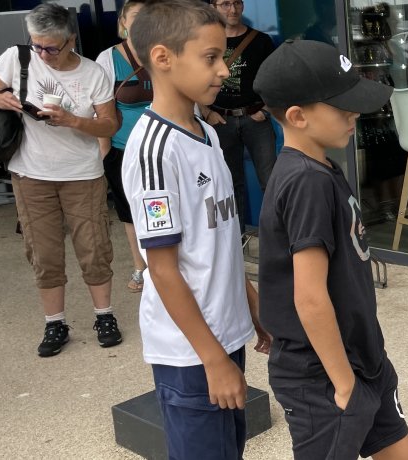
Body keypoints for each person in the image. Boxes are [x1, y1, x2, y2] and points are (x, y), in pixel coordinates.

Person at [254, 39, 408, 460]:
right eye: (341, 105)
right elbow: (309, 297)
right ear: (297, 117)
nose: (355, 114)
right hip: (322, 373)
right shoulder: (305, 181)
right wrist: (344, 383)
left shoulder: (323, 166)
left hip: (362, 355)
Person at [123, 1, 271, 458]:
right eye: (211, 57)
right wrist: (211, 359)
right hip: (191, 356)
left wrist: (250, 304)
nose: (224, 70)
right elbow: (162, 269)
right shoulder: (154, 152)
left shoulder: (205, 132)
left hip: (224, 336)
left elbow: (219, 237)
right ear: (163, 58)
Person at [0, 3, 122, 357]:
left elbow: (110, 125)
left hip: (83, 174)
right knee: (43, 251)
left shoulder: (92, 74)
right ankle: (55, 322)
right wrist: (1, 98)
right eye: (37, 45)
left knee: (94, 247)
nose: (43, 54)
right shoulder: (17, 58)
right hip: (30, 174)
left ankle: (104, 315)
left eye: (51, 47)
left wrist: (73, 121)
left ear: (71, 39)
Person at [199, 0, 277, 229]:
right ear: (213, 7)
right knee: (228, 185)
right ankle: (236, 240)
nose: (232, 10)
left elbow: (275, 81)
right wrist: (206, 112)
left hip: (256, 119)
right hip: (220, 121)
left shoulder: (261, 41)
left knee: (271, 182)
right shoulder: (205, 43)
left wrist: (266, 110)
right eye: (225, 4)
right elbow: (192, 78)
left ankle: (280, 240)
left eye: (236, 3)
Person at [96, 0, 149, 293]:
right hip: (123, 150)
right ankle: (140, 267)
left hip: (161, 150)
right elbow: (101, 111)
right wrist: (106, 154)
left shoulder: (164, 53)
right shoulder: (107, 59)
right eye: (137, 16)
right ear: (123, 21)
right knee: (130, 212)